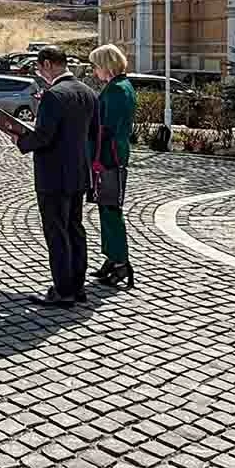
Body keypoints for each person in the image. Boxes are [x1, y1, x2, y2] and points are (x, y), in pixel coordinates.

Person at [0, 47, 97, 307]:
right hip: (79, 171)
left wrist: (19, 138)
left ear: (47, 64)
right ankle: (78, 286)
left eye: (40, 68)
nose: (40, 74)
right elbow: (93, 132)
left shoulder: (54, 95)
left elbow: (44, 136)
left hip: (53, 174)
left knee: (56, 232)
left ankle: (63, 290)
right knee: (76, 229)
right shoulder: (88, 92)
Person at [89, 45, 137, 289]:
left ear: (105, 65)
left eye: (95, 65)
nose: (94, 71)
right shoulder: (119, 86)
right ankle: (112, 256)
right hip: (110, 155)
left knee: (110, 210)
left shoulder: (118, 89)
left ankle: (120, 261)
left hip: (110, 157)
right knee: (105, 209)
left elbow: (106, 127)